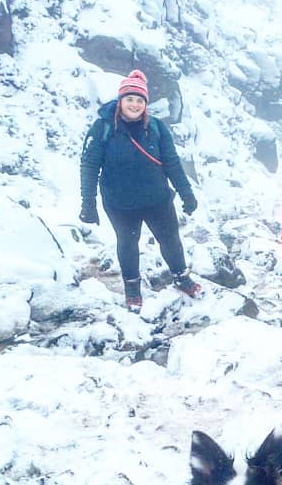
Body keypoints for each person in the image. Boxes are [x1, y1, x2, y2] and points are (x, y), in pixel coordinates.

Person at [79, 69, 200, 311]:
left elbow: (172, 163)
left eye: (139, 100)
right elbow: (89, 166)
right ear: (120, 100)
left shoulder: (156, 127)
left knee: (170, 240)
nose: (134, 104)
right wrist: (88, 203)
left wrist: (186, 194)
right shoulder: (102, 128)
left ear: (145, 103)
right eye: (130, 99)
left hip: (157, 199)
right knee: (127, 243)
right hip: (120, 203)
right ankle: (132, 288)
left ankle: (181, 277)